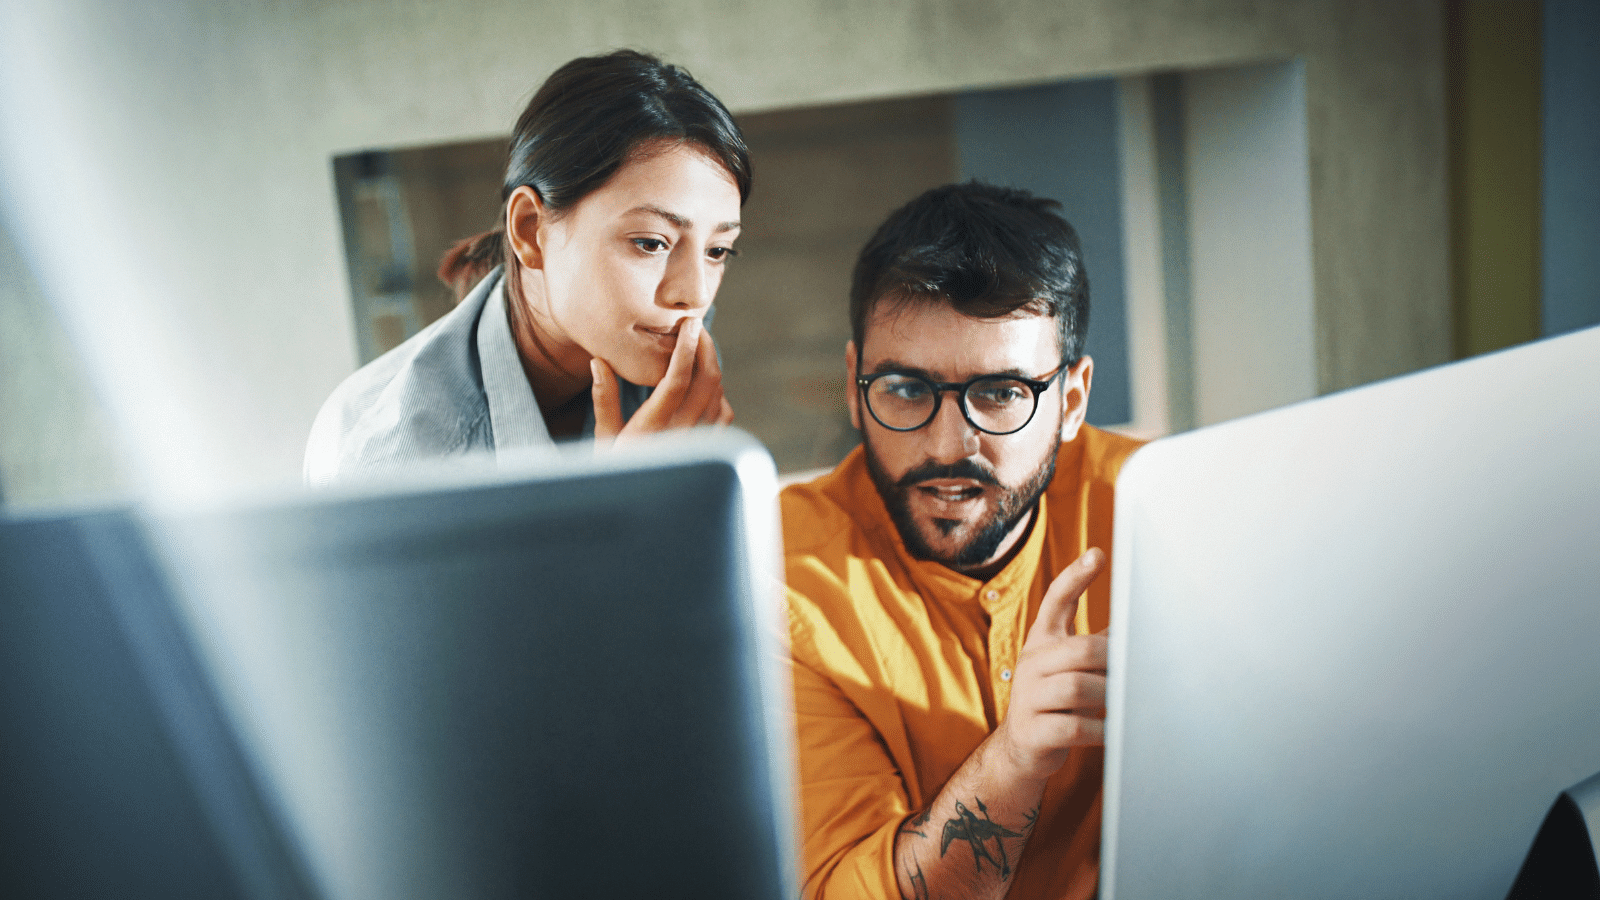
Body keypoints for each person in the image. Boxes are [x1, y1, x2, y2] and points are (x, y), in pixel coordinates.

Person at [782, 181, 1144, 900]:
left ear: (1071, 401)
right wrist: (1016, 759)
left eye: (1002, 392)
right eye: (906, 390)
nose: (949, 445)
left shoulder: (1156, 510)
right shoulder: (782, 580)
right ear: (856, 390)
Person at [304, 49, 748, 485]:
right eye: (651, 243)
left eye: (717, 250)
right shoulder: (397, 466)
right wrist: (625, 508)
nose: (696, 293)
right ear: (531, 229)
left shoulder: (665, 338)